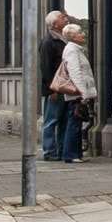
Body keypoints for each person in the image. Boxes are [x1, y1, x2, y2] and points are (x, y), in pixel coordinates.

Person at [54, 24, 98, 162]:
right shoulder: (72, 51)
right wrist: (83, 94)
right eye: (80, 32)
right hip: (77, 94)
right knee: (74, 123)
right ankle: (71, 154)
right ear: (73, 37)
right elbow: (75, 74)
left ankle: (75, 153)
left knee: (76, 123)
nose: (83, 34)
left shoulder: (75, 50)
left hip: (78, 93)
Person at [38, 11, 67, 161]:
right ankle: (49, 151)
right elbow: (46, 67)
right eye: (62, 18)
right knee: (51, 120)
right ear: (55, 24)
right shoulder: (48, 43)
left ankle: (61, 149)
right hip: (55, 88)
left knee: (63, 120)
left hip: (65, 87)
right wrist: (51, 88)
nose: (65, 19)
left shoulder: (64, 41)